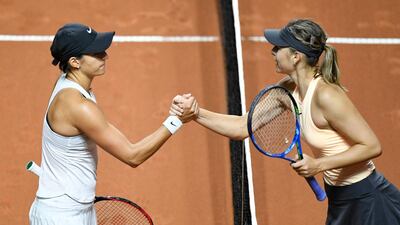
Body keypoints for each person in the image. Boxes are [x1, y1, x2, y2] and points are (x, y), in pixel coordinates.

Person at [170, 19, 400, 225]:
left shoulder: (327, 96)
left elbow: (372, 146)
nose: (272, 51)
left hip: (368, 199)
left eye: (278, 47)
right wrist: (196, 114)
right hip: (340, 198)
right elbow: (242, 127)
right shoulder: (288, 89)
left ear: (296, 56)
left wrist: (319, 165)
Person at [29, 23, 196, 225]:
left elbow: (106, 131)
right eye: (96, 53)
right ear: (74, 62)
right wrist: (176, 120)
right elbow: (133, 155)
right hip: (61, 216)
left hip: (77, 208)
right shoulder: (77, 106)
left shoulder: (70, 85)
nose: (105, 56)